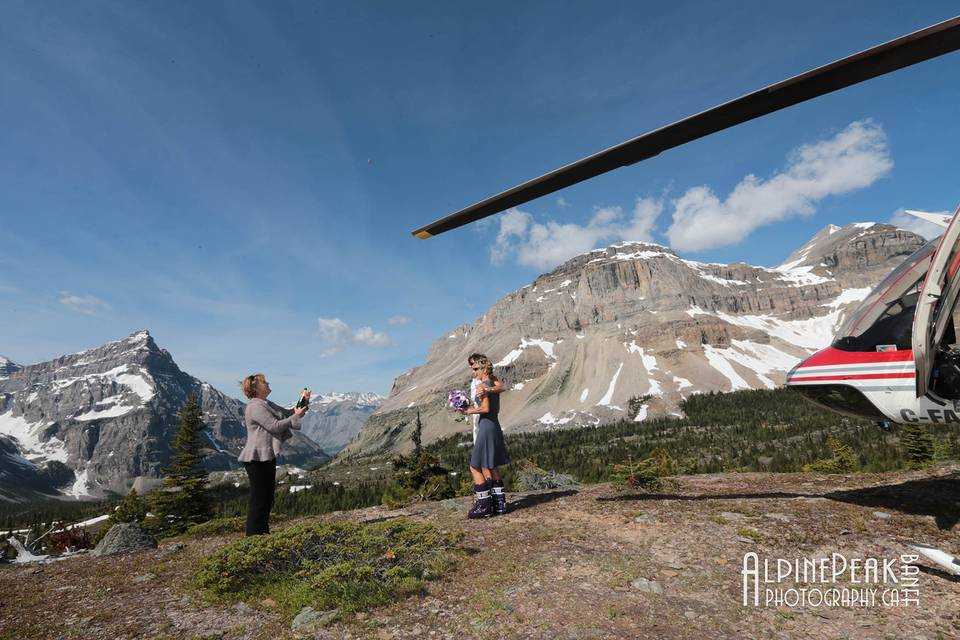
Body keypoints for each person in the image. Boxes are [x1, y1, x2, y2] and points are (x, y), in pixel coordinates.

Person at [238, 373, 309, 536]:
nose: (268, 383)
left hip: (266, 456)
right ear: (256, 388)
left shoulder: (266, 404)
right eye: (264, 382)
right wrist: (295, 416)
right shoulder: (255, 407)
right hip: (255, 459)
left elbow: (289, 413)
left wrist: (303, 400)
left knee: (266, 498)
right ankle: (254, 538)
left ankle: (262, 534)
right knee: (259, 500)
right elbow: (275, 426)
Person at [463, 355, 510, 518]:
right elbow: (501, 387)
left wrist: (468, 411)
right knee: (491, 465)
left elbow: (485, 408)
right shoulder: (493, 381)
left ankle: (484, 506)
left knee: (474, 466)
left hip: (485, 426)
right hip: (494, 425)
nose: (472, 371)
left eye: (475, 368)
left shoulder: (482, 385)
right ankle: (499, 504)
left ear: (483, 368)